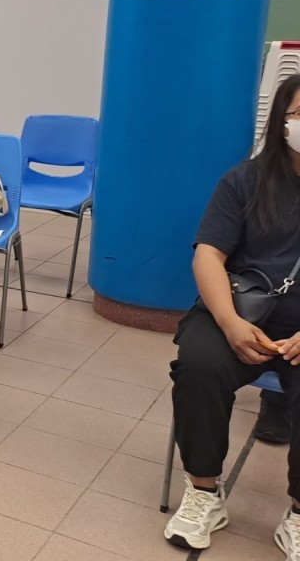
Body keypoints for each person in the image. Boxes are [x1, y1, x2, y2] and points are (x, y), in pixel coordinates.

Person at [162, 73, 300, 558]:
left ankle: (298, 513)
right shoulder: (245, 181)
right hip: (240, 311)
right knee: (198, 367)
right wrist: (229, 322)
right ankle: (204, 492)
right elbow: (208, 255)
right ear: (282, 121)